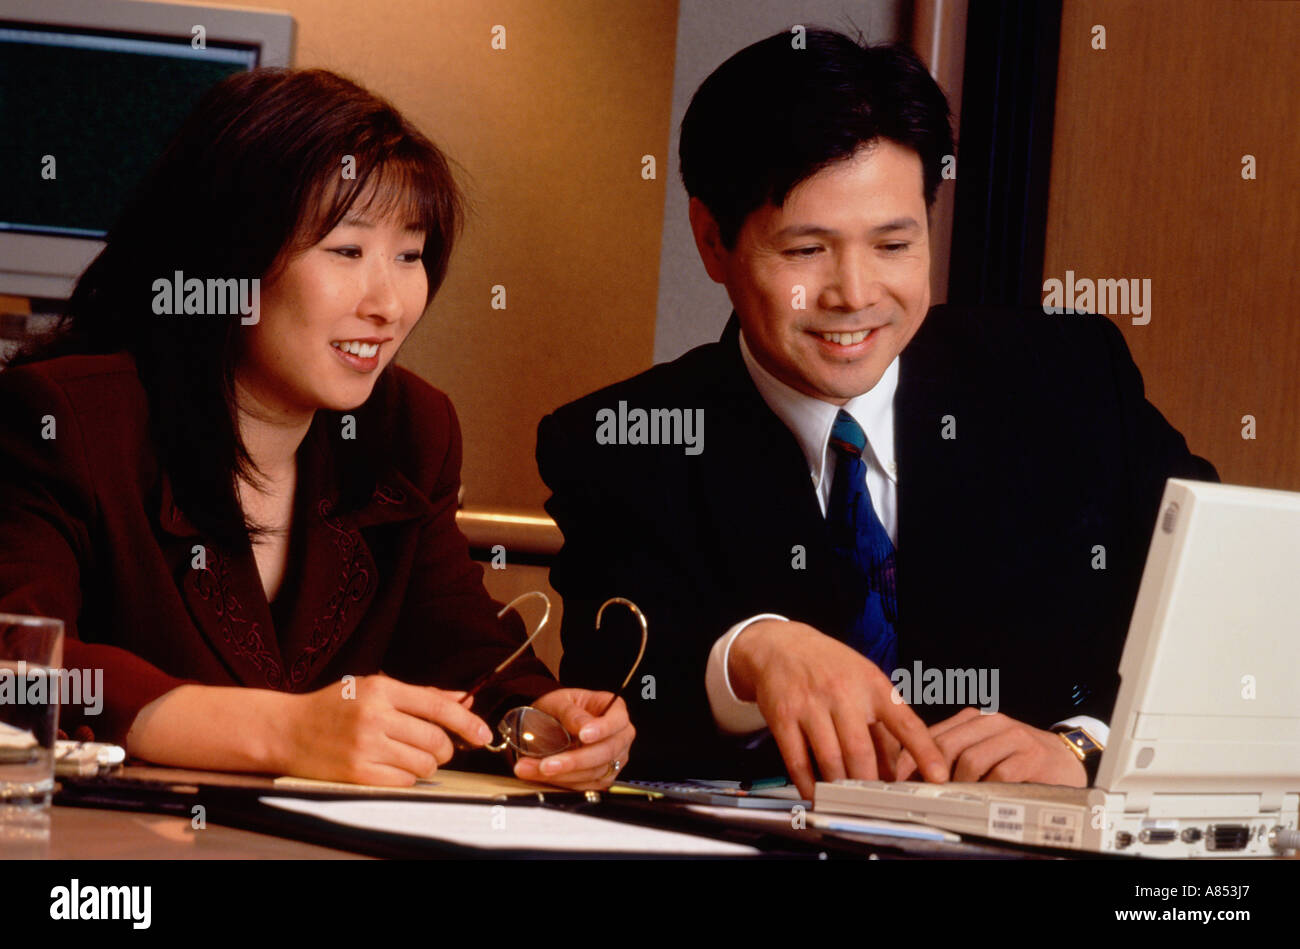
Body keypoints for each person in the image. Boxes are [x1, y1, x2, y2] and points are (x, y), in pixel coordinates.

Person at [536, 30, 1216, 800]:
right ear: (712, 241)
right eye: (805, 252)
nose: (855, 293)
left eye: (894, 243)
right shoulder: (622, 441)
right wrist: (752, 654)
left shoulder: (1070, 380)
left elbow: (1221, 607)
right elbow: (614, 700)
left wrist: (1085, 746)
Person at [0, 68, 632, 791]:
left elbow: (460, 645)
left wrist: (539, 717)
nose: (388, 304)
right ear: (229, 257)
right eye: (346, 251)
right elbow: (17, 665)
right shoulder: (65, 418)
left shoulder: (409, 429)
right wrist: (283, 730)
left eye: (411, 255)